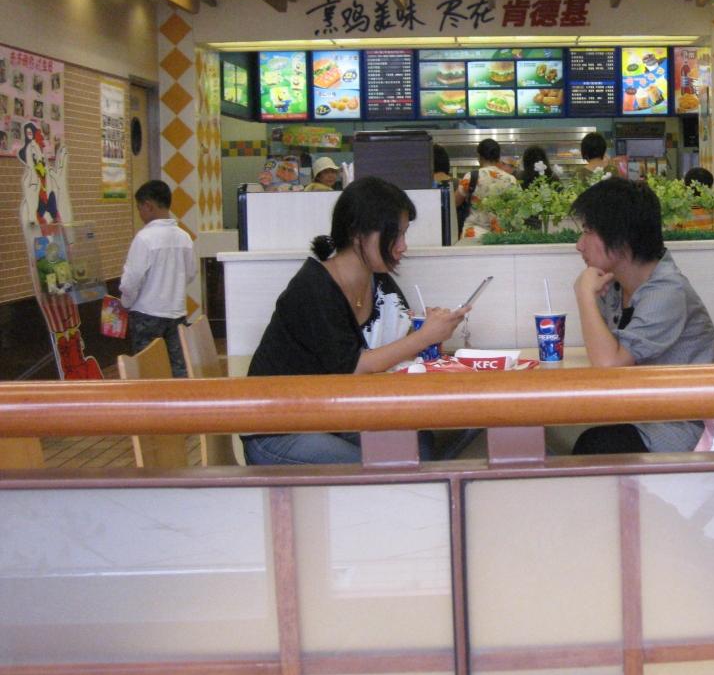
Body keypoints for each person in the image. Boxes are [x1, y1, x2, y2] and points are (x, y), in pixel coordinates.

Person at [243, 177, 469, 465]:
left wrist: (429, 331)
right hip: (277, 428)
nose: (403, 246)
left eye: (404, 234)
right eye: (394, 235)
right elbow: (354, 367)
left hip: (329, 416)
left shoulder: (378, 280)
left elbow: (398, 341)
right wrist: (424, 336)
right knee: (389, 468)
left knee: (418, 443)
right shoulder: (313, 287)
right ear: (356, 233)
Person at [570, 178, 714, 455]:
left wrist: (583, 295)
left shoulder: (667, 291)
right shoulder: (617, 285)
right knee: (591, 442)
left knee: (595, 447)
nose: (579, 245)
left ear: (622, 237)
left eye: (588, 231)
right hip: (643, 413)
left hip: (682, 428)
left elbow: (607, 366)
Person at [119, 180, 196, 376]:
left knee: (148, 370)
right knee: (179, 368)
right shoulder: (184, 237)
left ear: (148, 206)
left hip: (147, 314)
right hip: (177, 312)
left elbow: (132, 279)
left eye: (139, 208)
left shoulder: (144, 238)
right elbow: (190, 273)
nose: (140, 213)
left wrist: (126, 302)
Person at [456, 138, 518, 236]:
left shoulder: (470, 177)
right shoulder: (510, 180)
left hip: (473, 234)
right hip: (500, 235)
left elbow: (455, 202)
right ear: (498, 158)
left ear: (479, 157)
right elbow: (517, 207)